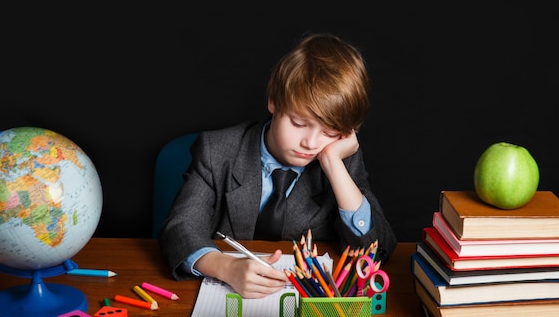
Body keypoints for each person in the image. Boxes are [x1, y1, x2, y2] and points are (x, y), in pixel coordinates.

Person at [158, 32, 397, 298]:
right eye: (298, 123)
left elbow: (379, 251)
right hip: (223, 294)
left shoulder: (341, 161)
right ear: (273, 100)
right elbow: (180, 228)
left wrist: (333, 164)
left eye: (329, 133)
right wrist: (225, 267)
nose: (311, 142)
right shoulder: (217, 151)